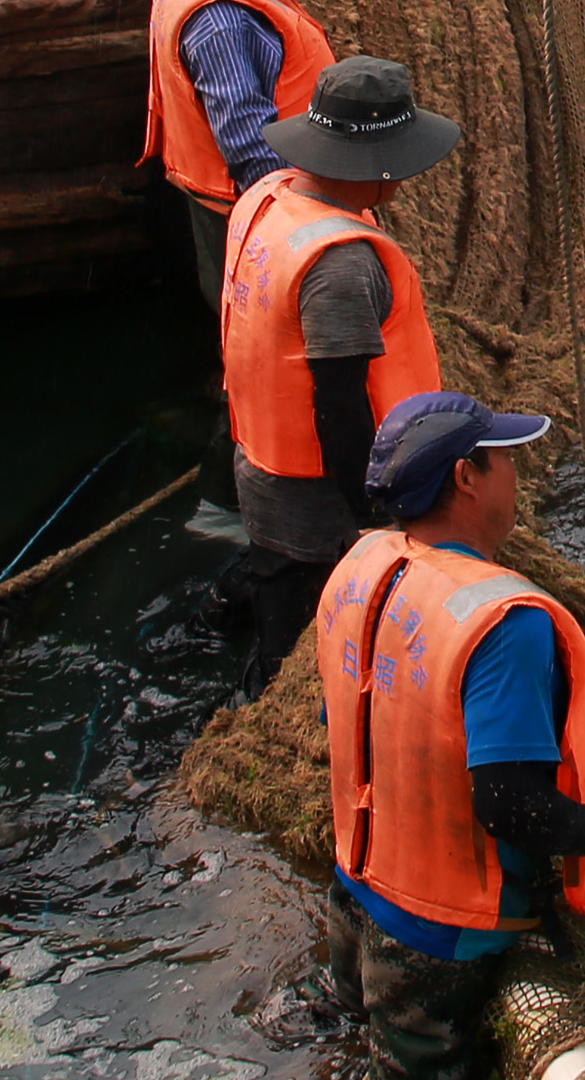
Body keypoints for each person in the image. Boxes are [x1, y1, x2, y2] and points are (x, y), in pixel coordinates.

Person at [318, 391, 585, 1080]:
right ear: (464, 477)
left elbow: (356, 726)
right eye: (505, 458)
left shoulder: (361, 566)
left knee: (348, 1037)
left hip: (355, 890)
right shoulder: (504, 622)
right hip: (439, 937)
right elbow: (508, 803)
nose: (519, 474)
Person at [221, 55, 458, 695]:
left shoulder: (265, 201)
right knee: (303, 660)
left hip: (259, 466)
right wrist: (370, 515)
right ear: (376, 168)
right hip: (317, 504)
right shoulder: (343, 266)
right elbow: (340, 404)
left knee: (276, 603)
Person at [143, 0, 339, 514]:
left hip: (214, 203)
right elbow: (249, 142)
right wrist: (308, 233)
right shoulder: (222, 19)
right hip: (244, 214)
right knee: (270, 362)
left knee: (245, 352)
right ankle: (235, 505)